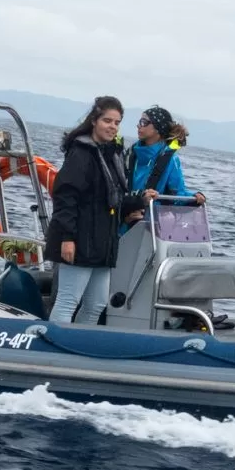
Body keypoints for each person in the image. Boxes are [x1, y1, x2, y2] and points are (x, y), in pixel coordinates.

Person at [46, 96, 148, 325]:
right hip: (80, 239)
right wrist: (67, 238)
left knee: (97, 304)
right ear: (94, 121)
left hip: (102, 243)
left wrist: (139, 201)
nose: (112, 127)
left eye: (117, 122)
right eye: (107, 121)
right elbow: (65, 197)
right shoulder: (81, 153)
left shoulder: (111, 155)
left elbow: (110, 199)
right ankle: (55, 343)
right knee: (68, 301)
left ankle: (78, 342)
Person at [123, 106, 205, 223]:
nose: (139, 125)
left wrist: (194, 198)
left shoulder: (171, 160)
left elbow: (177, 194)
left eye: (144, 122)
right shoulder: (130, 154)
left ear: (158, 128)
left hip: (150, 225)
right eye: (140, 121)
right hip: (123, 222)